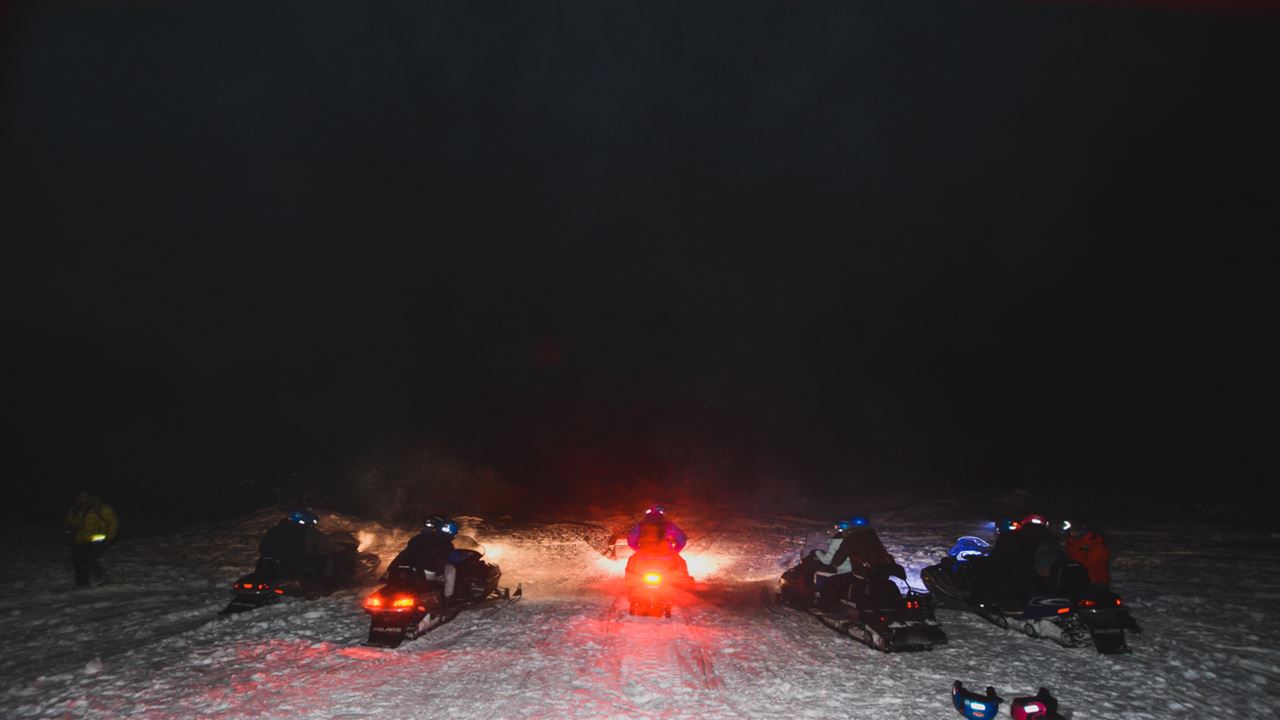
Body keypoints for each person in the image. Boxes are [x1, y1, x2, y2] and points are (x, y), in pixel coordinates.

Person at [258, 509, 349, 584]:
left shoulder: (274, 530)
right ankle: (326, 583)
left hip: (268, 564)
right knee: (326, 558)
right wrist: (343, 549)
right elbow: (326, 544)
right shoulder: (306, 532)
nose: (312, 526)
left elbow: (262, 548)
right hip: (293, 564)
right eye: (311, 524)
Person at [390, 516, 460, 602]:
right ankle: (448, 596)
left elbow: (404, 553)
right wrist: (440, 575)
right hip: (426, 571)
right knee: (451, 569)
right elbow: (440, 558)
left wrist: (390, 569)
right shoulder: (444, 542)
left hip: (411, 568)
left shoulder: (418, 538)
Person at [64, 491, 118, 587]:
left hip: (96, 539)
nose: (81, 498)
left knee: (90, 559)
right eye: (79, 496)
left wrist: (109, 538)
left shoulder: (100, 508)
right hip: (79, 540)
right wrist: (69, 534)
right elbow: (69, 524)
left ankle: (100, 578)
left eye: (84, 496)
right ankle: (82, 583)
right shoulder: (75, 509)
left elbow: (113, 523)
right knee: (77, 561)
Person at [1064, 521, 1111, 587]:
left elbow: (1085, 563)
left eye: (1075, 530)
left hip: (1095, 582)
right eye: (1071, 530)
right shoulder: (1072, 542)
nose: (1072, 532)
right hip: (1078, 580)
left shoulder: (1096, 544)